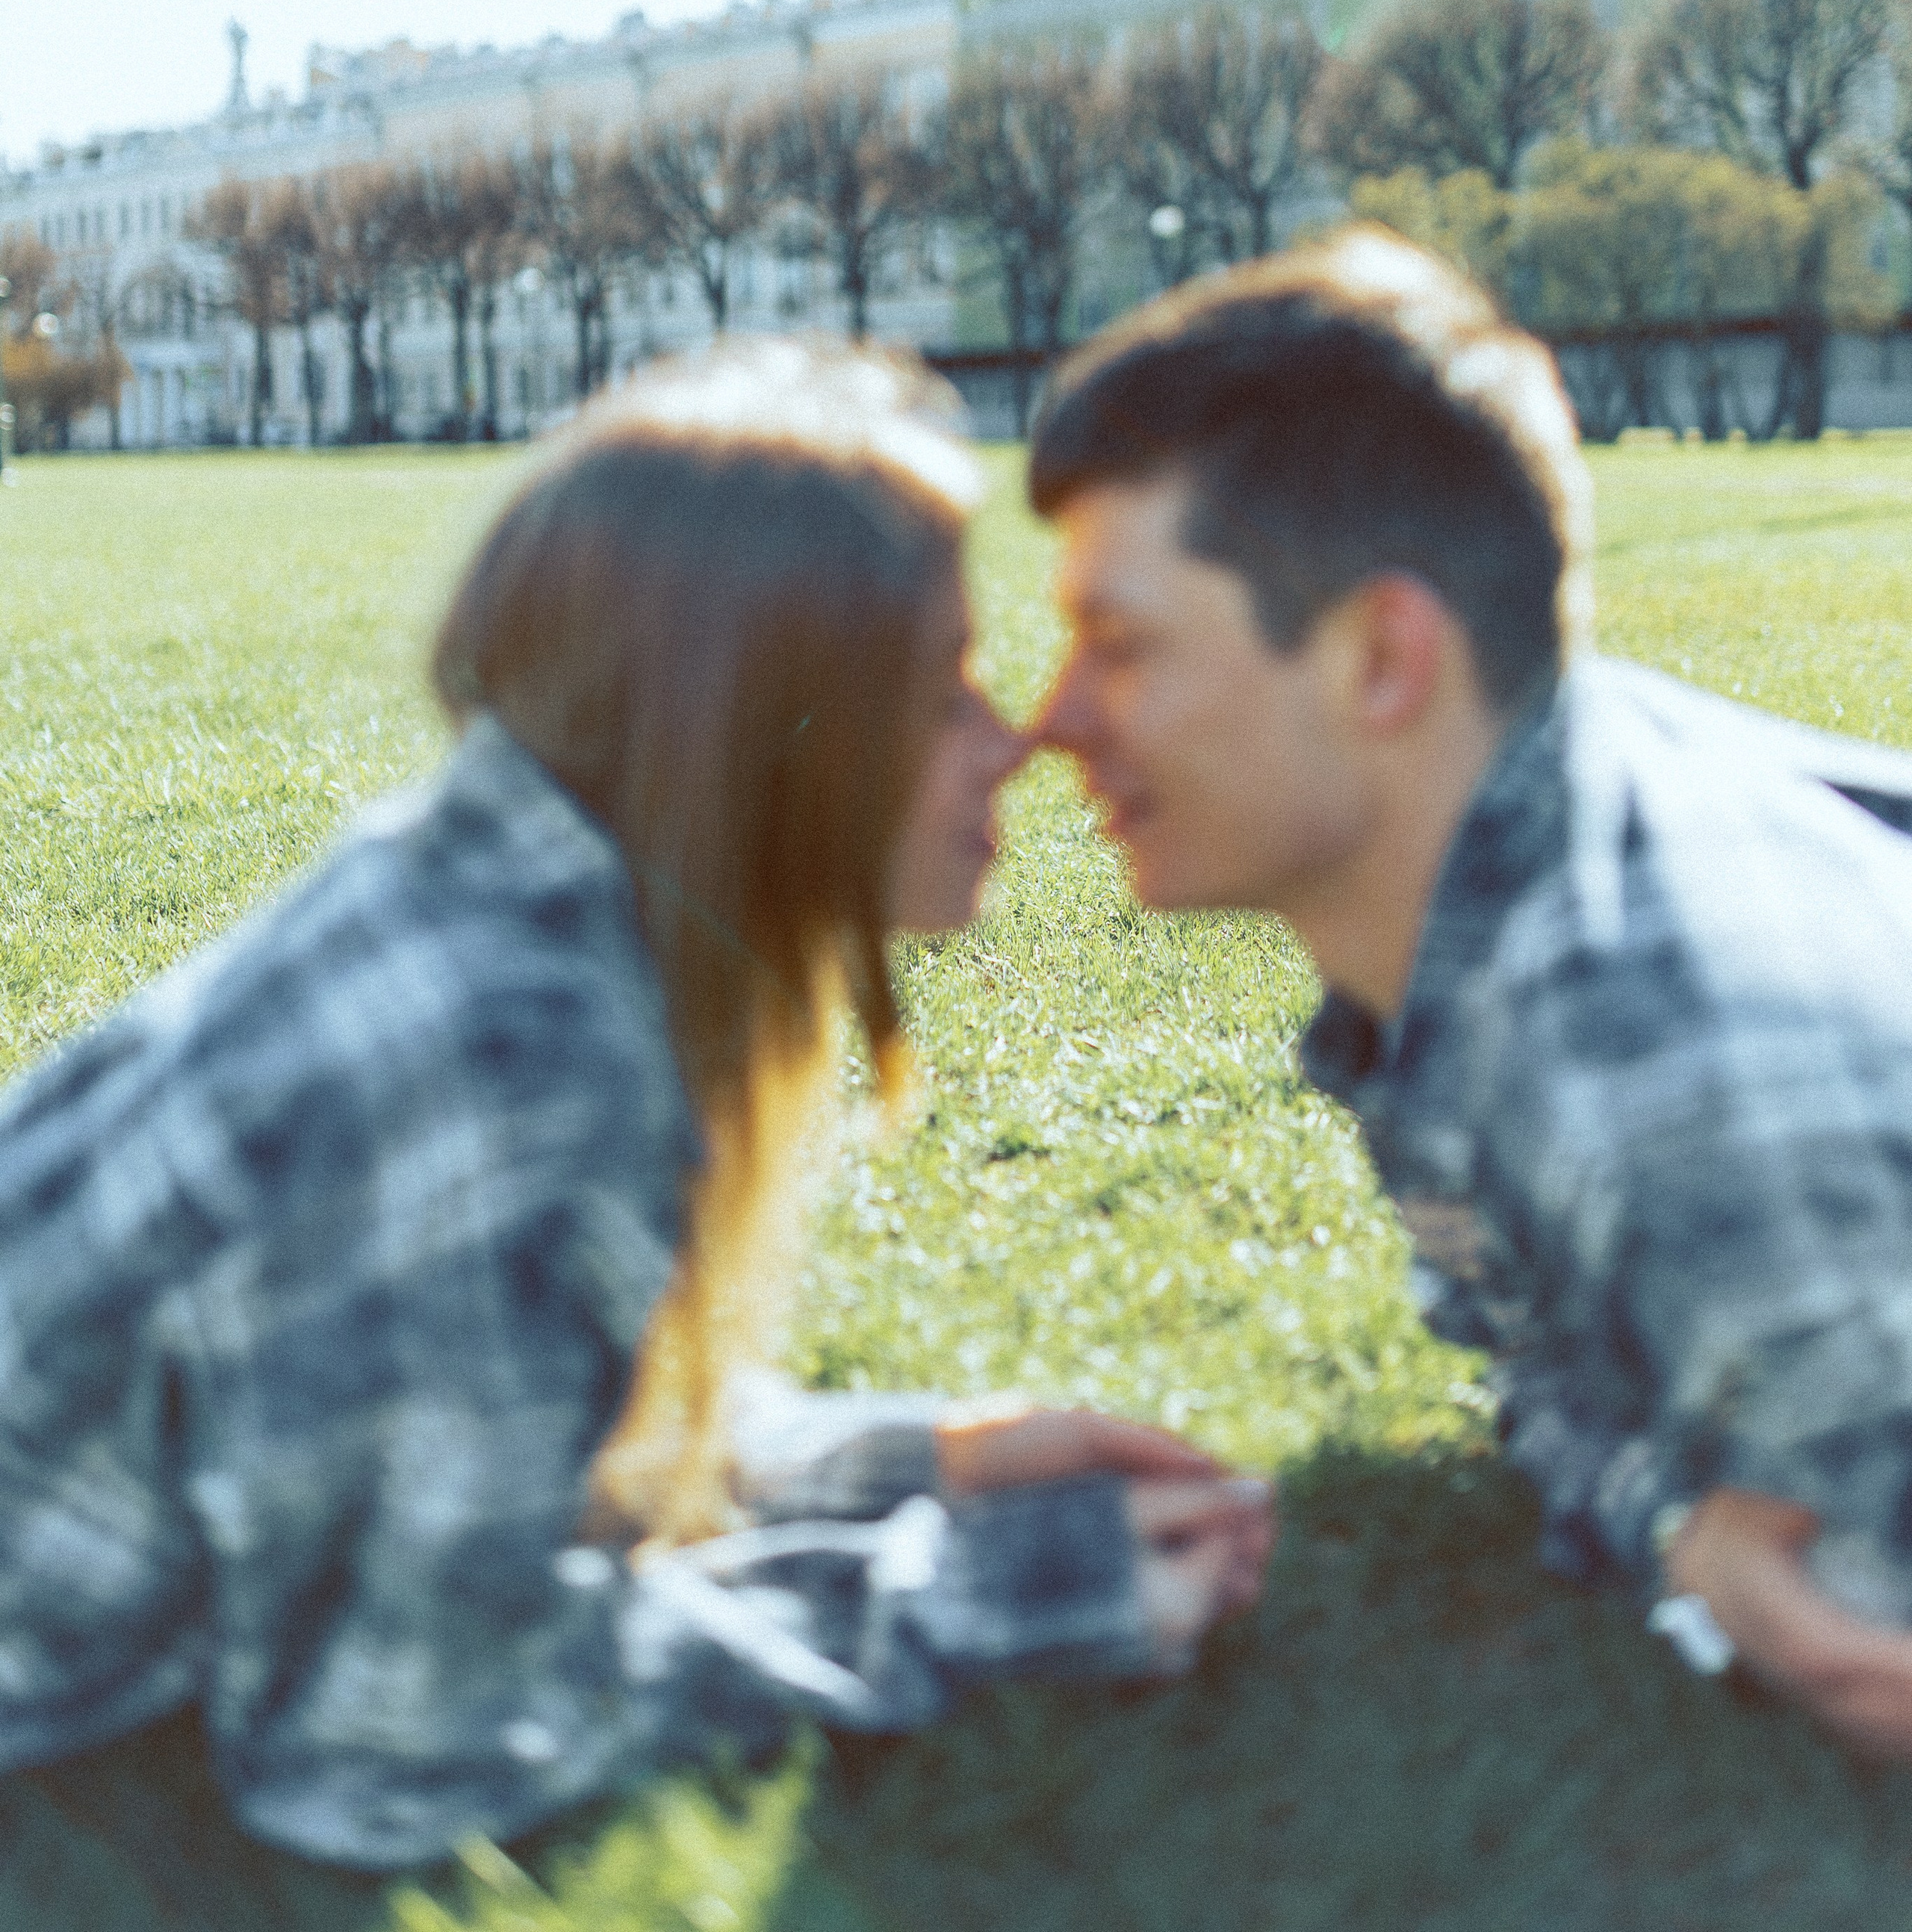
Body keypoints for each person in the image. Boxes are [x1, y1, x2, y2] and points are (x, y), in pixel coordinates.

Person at [0, 340, 1271, 1913]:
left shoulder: (486, 905)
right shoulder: (511, 1078)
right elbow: (390, 1753)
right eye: (938, 680)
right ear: (766, 727)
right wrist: (972, 1597)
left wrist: (924, 1460)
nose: (1005, 739)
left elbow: (483, 1447)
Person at [1027, 229, 1912, 1758]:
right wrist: (1667, 1516)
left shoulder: (1663, 1066)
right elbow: (1554, 1378)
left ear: (1383, 656)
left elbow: (1858, 1627)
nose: (1052, 723)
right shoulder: (1512, 854)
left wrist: (1688, 1545)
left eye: (1118, 646)